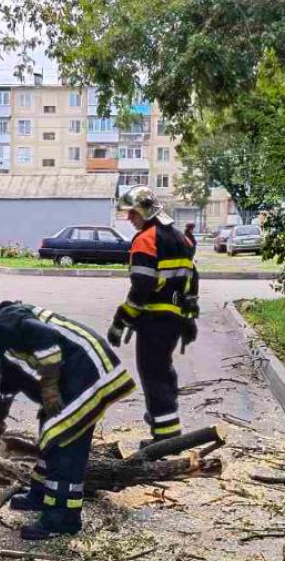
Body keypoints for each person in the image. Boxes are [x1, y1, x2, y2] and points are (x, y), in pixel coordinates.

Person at [0, 295, 136, 540]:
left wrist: (49, 387)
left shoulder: (5, 321)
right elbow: (8, 381)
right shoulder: (4, 335)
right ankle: (40, 494)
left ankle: (62, 520)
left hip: (88, 372)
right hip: (74, 374)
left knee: (63, 441)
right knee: (48, 431)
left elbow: (46, 339)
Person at [107, 185, 199, 446]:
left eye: (132, 213)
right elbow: (192, 280)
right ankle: (165, 427)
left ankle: (164, 438)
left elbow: (141, 287)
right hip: (174, 321)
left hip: (153, 322)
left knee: (153, 374)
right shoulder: (181, 238)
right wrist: (189, 318)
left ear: (143, 212)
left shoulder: (146, 239)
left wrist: (120, 320)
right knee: (164, 372)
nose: (129, 219)